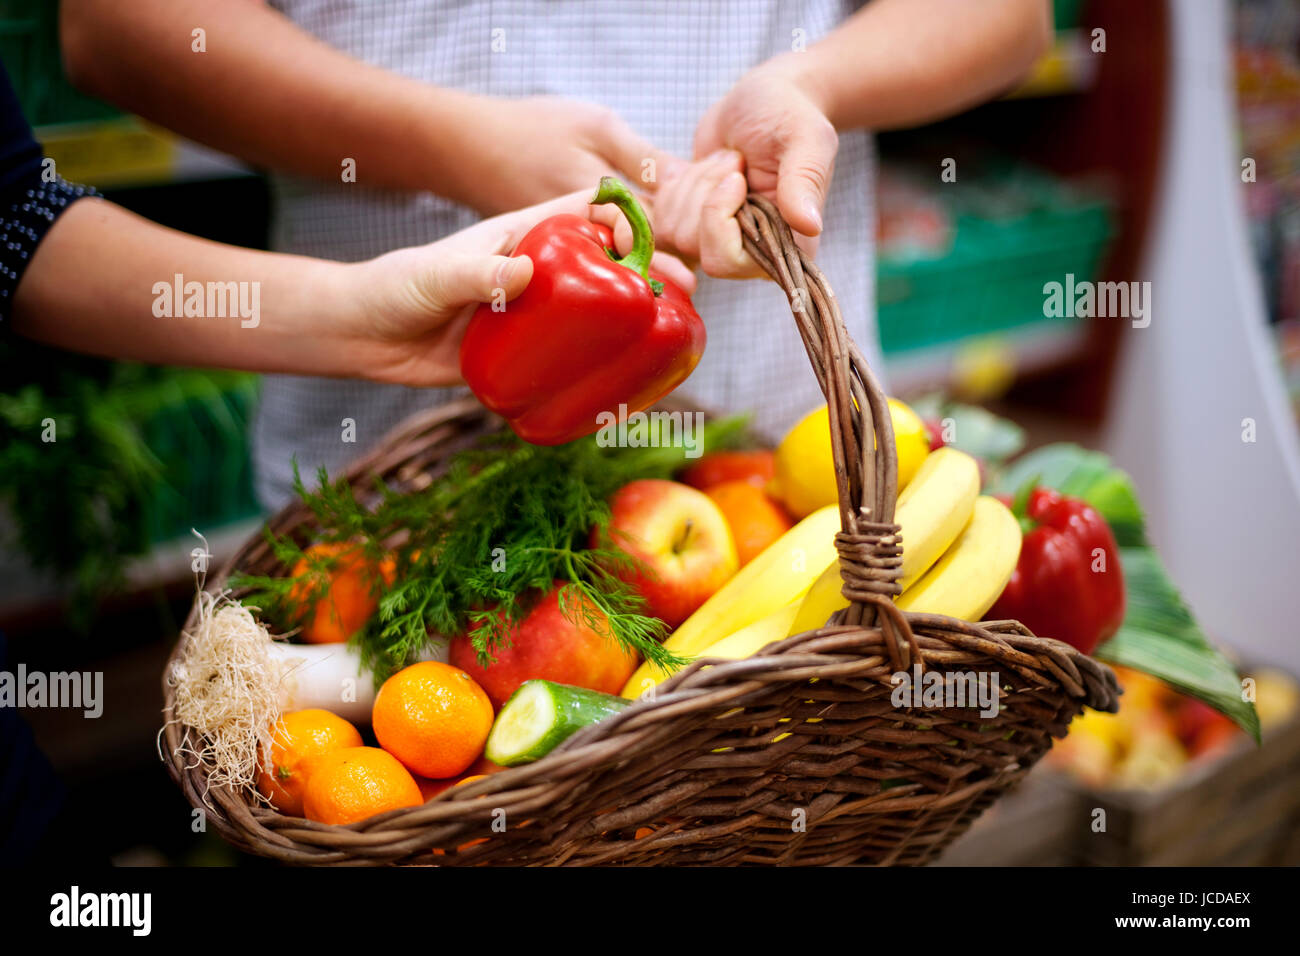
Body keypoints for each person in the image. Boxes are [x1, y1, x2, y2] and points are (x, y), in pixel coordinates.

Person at [62, 0, 1052, 508]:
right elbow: (115, 28)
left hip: (787, 465)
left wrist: (815, 81)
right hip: (384, 470)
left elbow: (1009, 17)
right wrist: (453, 146)